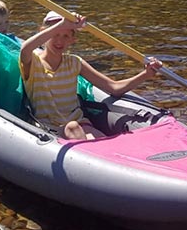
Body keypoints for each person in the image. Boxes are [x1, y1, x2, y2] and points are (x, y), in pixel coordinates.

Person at [19, 11, 162, 140]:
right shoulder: (33, 62)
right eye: (55, 34)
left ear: (72, 40)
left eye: (65, 35)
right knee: (72, 127)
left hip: (81, 124)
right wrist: (62, 25)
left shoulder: (75, 62)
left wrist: (145, 74)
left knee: (87, 133)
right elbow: (25, 49)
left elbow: (114, 87)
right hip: (49, 129)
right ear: (44, 33)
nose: (59, 41)